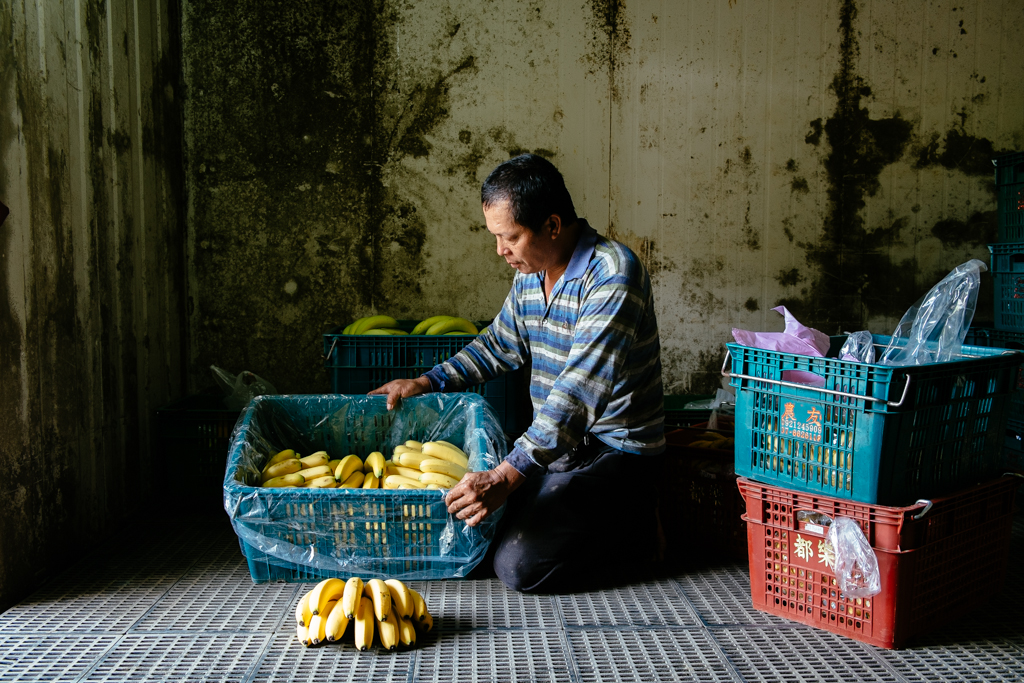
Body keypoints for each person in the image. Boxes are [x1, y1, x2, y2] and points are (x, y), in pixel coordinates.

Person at [369, 153, 665, 592]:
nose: (500, 251)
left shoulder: (613, 275)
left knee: (518, 566)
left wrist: (507, 476)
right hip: (560, 450)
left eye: (509, 238)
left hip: (615, 455)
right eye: (496, 237)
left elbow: (576, 395)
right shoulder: (532, 272)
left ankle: (642, 536)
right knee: (474, 532)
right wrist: (427, 381)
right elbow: (498, 344)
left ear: (552, 225)